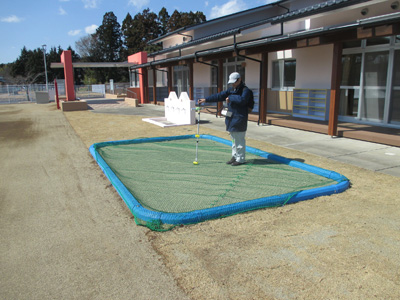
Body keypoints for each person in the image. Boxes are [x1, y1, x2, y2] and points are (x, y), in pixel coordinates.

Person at [198, 72, 253, 166]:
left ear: (239, 79)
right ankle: (235, 156)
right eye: (231, 82)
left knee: (239, 140)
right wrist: (206, 99)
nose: (232, 84)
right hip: (231, 119)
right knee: (233, 140)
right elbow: (219, 96)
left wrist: (230, 97)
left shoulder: (246, 91)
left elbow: (242, 100)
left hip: (240, 119)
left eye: (234, 82)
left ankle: (240, 159)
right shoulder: (231, 89)